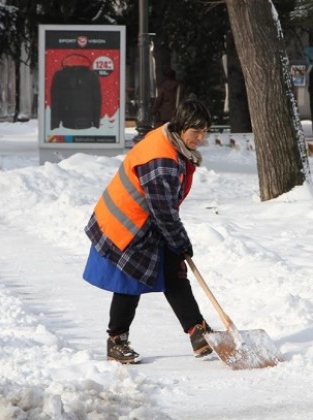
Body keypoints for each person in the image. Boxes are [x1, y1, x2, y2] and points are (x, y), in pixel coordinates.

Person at [83, 98, 213, 364]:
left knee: (174, 270)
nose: (200, 137)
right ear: (181, 126)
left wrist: (177, 246)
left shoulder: (170, 141)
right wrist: (181, 241)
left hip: (143, 220)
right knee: (129, 281)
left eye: (205, 131)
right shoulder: (161, 160)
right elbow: (163, 211)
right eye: (195, 131)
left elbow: (163, 211)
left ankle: (198, 331)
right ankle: (116, 341)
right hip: (125, 224)